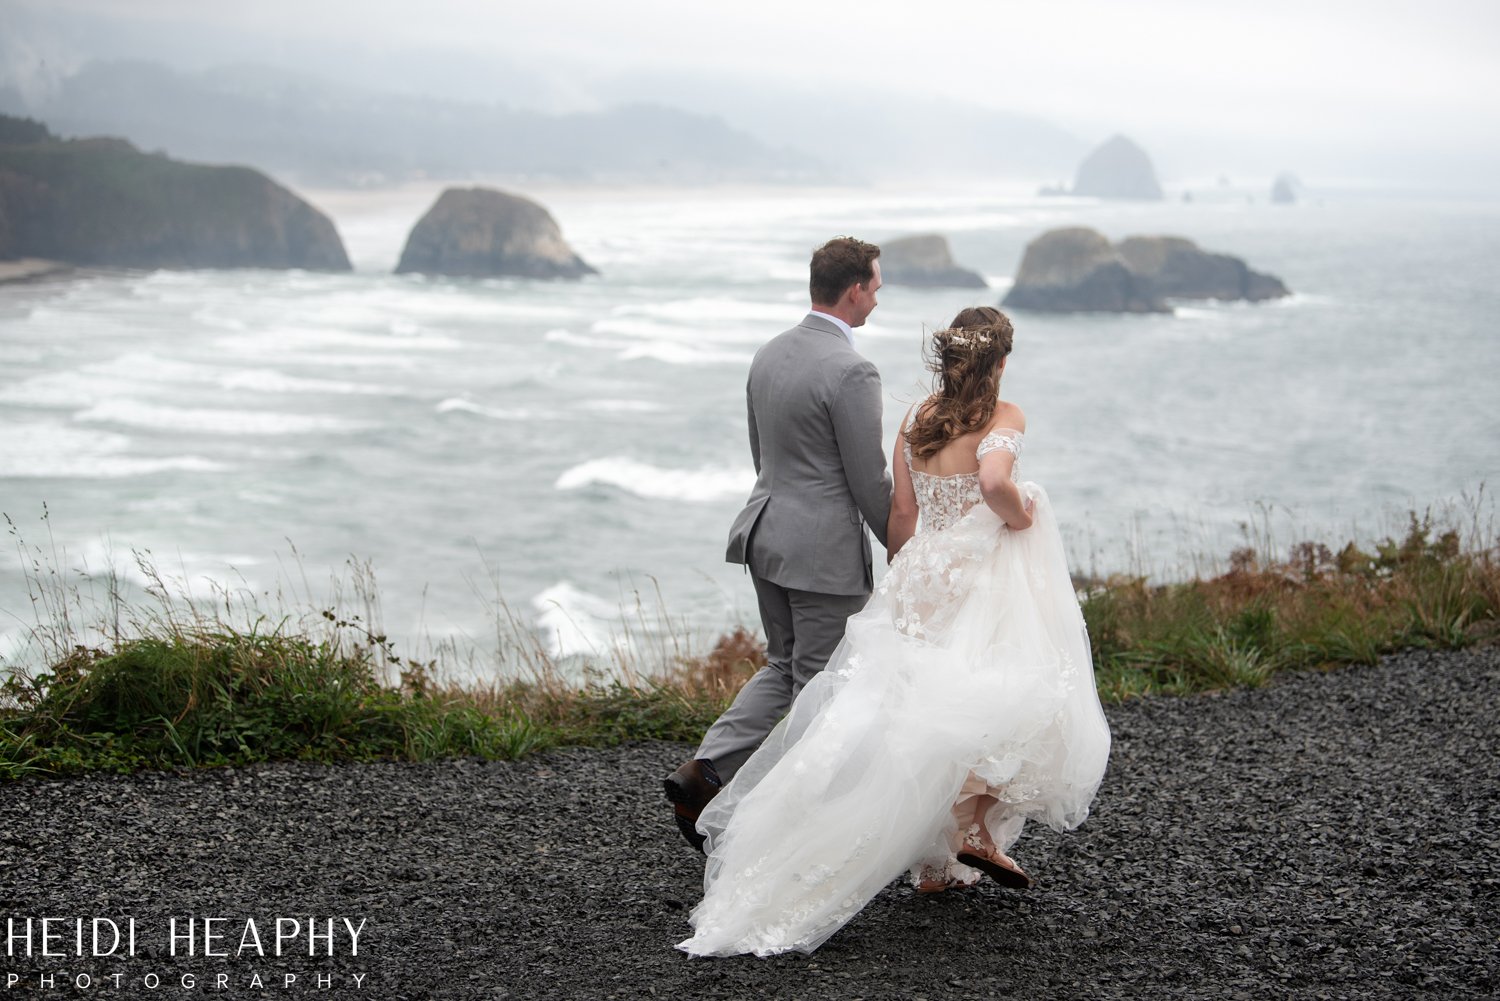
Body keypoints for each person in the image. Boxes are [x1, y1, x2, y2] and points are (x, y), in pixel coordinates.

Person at [677, 306, 1112, 958]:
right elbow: (995, 481)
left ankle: (936, 863)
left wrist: (905, 580)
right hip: (980, 577)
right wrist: (1024, 511)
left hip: (920, 573)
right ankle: (973, 822)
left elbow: (902, 514)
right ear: (997, 361)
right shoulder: (1003, 416)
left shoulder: (917, 419)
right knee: (1012, 695)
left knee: (908, 707)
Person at [664, 237, 893, 852]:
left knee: (783, 666)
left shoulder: (769, 354)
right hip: (821, 556)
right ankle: (781, 826)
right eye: (875, 284)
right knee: (820, 688)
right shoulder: (852, 371)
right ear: (854, 291)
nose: (878, 295)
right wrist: (903, 542)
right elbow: (868, 478)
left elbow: (762, 455)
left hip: (767, 534)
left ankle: (705, 771)